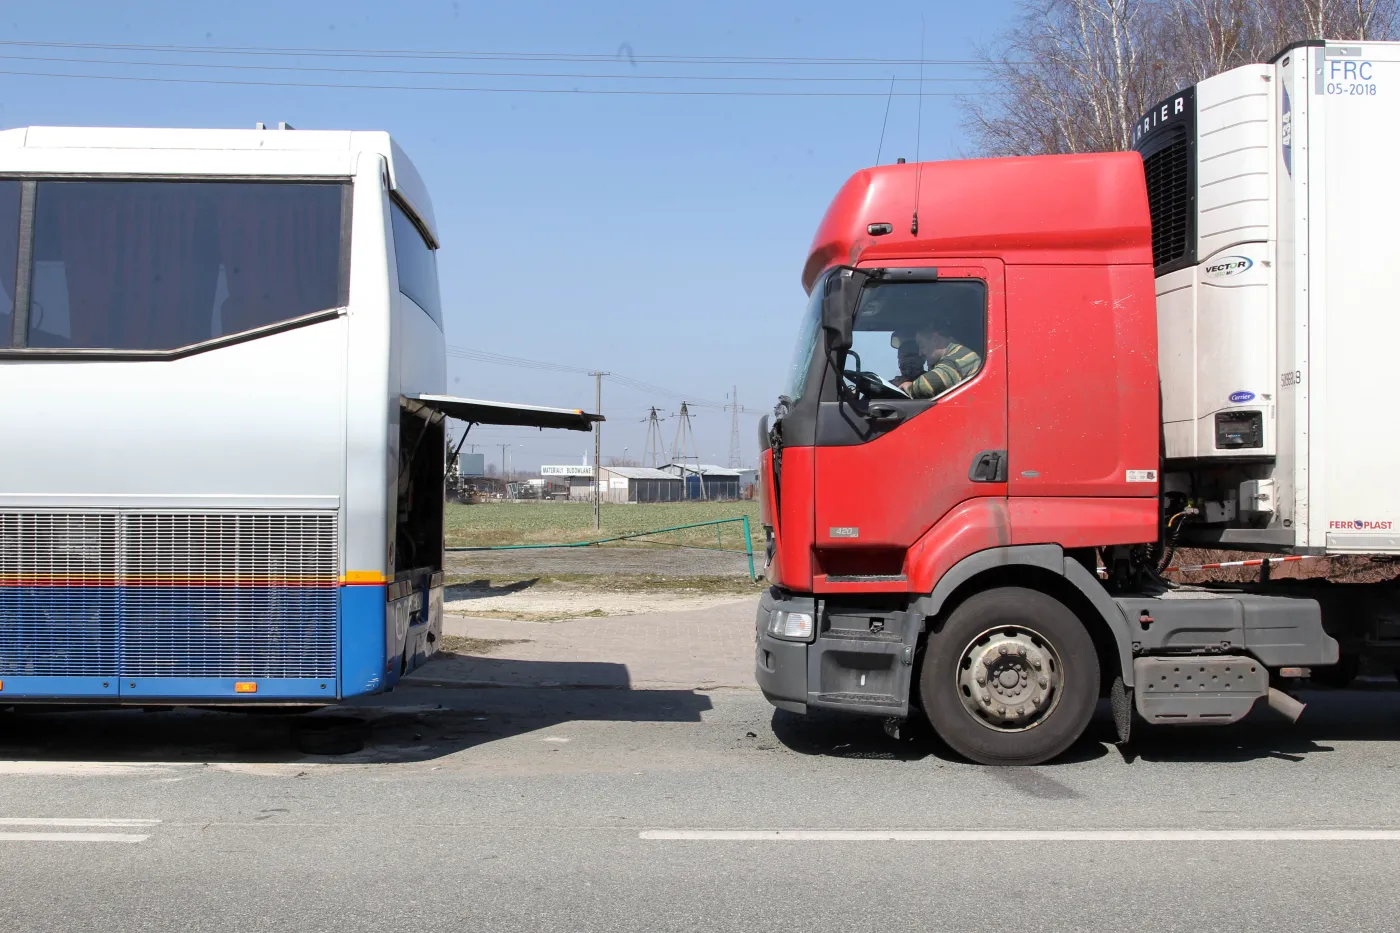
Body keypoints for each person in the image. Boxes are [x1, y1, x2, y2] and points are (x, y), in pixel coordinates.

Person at [892, 325, 981, 399]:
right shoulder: (956, 355)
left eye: (921, 345)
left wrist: (907, 386)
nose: (920, 353)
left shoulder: (959, 358)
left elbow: (927, 386)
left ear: (935, 340)